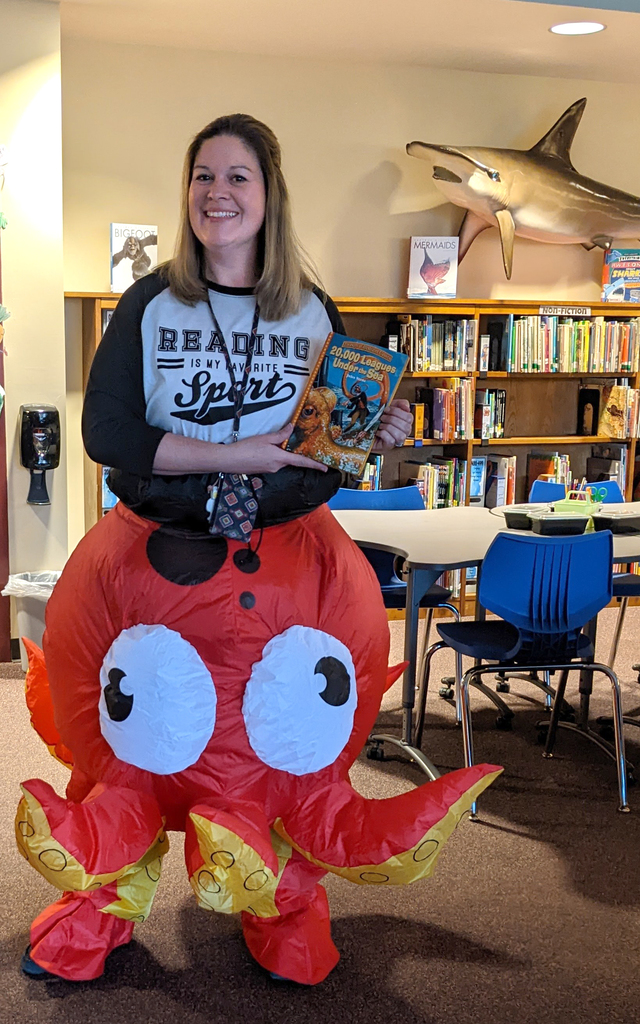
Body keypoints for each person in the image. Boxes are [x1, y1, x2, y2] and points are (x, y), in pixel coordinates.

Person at [17, 114, 497, 987]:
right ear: (187, 192)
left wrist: (379, 431)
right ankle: (100, 900)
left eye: (237, 177)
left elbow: (330, 440)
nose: (217, 193)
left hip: (290, 571)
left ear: (268, 194)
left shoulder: (311, 308)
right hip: (157, 561)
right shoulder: (149, 301)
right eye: (203, 176)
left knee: (285, 757)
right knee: (130, 754)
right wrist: (233, 453)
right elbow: (109, 432)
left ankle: (282, 901)